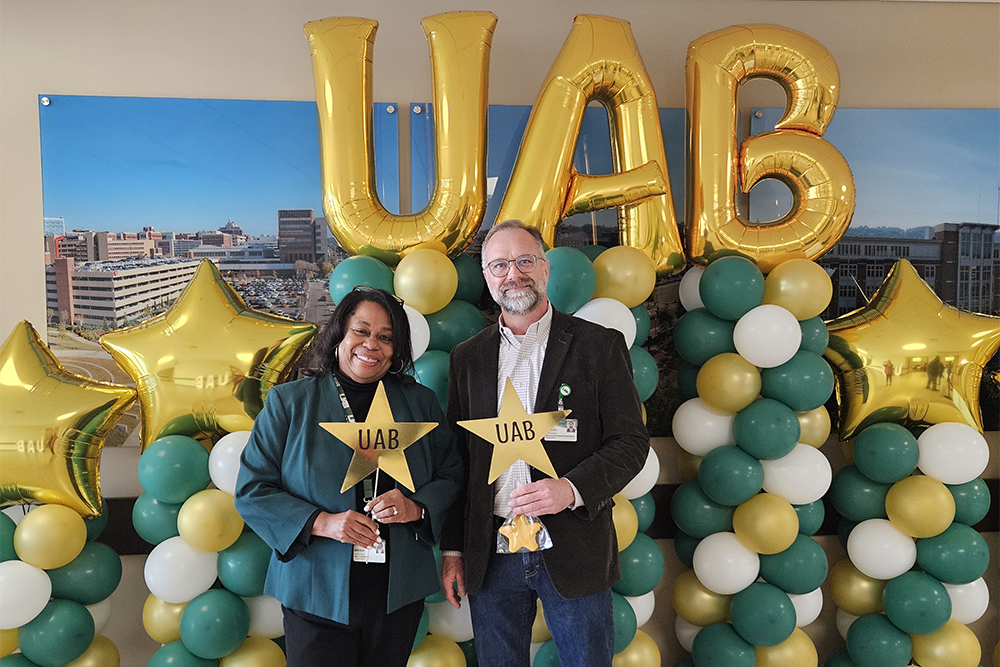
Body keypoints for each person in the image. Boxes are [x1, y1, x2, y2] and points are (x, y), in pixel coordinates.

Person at [440, 220, 650, 667]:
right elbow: (459, 462)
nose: (513, 274)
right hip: (490, 554)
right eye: (499, 265)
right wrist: (454, 550)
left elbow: (631, 442)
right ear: (487, 276)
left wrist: (570, 489)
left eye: (524, 261)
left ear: (545, 268)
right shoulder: (467, 358)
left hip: (573, 547)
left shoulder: (599, 346)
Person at [235, 287, 463, 667]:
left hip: (397, 594)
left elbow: (451, 473)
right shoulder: (288, 402)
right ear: (339, 332)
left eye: (385, 337)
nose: (371, 344)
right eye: (361, 330)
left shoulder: (421, 403)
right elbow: (252, 490)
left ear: (396, 349)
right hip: (314, 592)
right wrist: (323, 522)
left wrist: (417, 507)